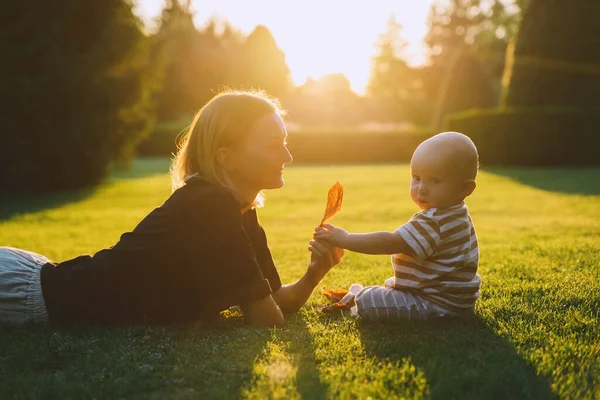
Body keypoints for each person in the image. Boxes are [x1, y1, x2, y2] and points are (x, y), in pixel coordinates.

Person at [0, 90, 343, 327]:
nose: (288, 156)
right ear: (226, 156)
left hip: (39, 281)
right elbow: (266, 318)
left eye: (285, 143)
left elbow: (274, 301)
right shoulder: (210, 205)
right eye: (273, 145)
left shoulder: (240, 210)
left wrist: (315, 272)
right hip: (29, 294)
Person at [314, 131, 481, 321]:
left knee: (368, 302)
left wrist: (345, 239)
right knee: (386, 291)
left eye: (435, 181)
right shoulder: (457, 214)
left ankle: (356, 300)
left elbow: (390, 242)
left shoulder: (434, 221)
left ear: (464, 189)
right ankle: (360, 295)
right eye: (416, 178)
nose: (421, 188)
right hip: (454, 301)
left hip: (434, 303)